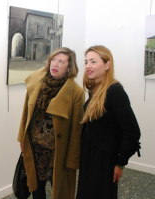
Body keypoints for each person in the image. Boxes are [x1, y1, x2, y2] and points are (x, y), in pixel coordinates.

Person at [17, 47, 85, 199]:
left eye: (61, 61)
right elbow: (26, 114)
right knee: (36, 187)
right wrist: (22, 137)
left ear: (69, 67)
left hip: (57, 152)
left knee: (59, 189)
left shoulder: (76, 92)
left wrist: (72, 159)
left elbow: (76, 130)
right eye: (53, 60)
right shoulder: (38, 83)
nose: (55, 64)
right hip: (35, 147)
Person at [76, 45, 141, 199]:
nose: (88, 66)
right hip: (90, 155)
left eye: (93, 61)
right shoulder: (95, 88)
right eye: (86, 62)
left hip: (104, 159)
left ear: (107, 64)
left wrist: (120, 163)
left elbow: (132, 131)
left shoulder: (115, 91)